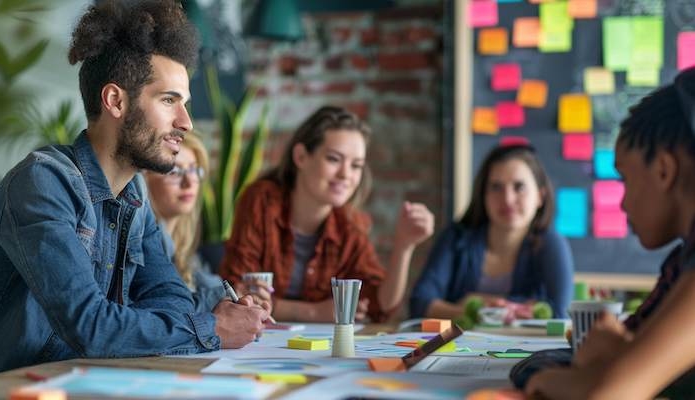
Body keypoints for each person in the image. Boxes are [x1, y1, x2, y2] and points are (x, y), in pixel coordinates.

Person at [0, 0, 268, 374]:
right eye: (169, 100)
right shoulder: (42, 184)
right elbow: (91, 327)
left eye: (184, 103)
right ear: (115, 101)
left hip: (89, 383)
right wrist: (212, 327)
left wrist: (125, 325)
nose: (186, 122)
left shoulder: (135, 197)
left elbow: (173, 299)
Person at [525, 68, 695, 400]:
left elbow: (606, 394)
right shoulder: (683, 260)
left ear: (664, 170)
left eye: (624, 180)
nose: (622, 202)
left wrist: (542, 381)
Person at [218, 106, 435, 323]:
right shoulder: (261, 201)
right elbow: (239, 296)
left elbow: (378, 307)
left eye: (356, 165)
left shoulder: (351, 223)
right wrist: (313, 313)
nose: (346, 174)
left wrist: (404, 246)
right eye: (334, 159)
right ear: (301, 156)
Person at [409, 145, 574, 320]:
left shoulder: (551, 243)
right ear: (483, 195)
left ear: (540, 196)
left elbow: (560, 312)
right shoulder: (456, 237)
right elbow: (420, 303)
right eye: (496, 187)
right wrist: (519, 307)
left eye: (519, 187)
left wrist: (476, 302)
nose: (508, 199)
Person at [145, 132, 234, 313]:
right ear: (143, 179)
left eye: (194, 170)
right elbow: (173, 311)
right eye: (174, 171)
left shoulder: (186, 251)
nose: (189, 182)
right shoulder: (141, 244)